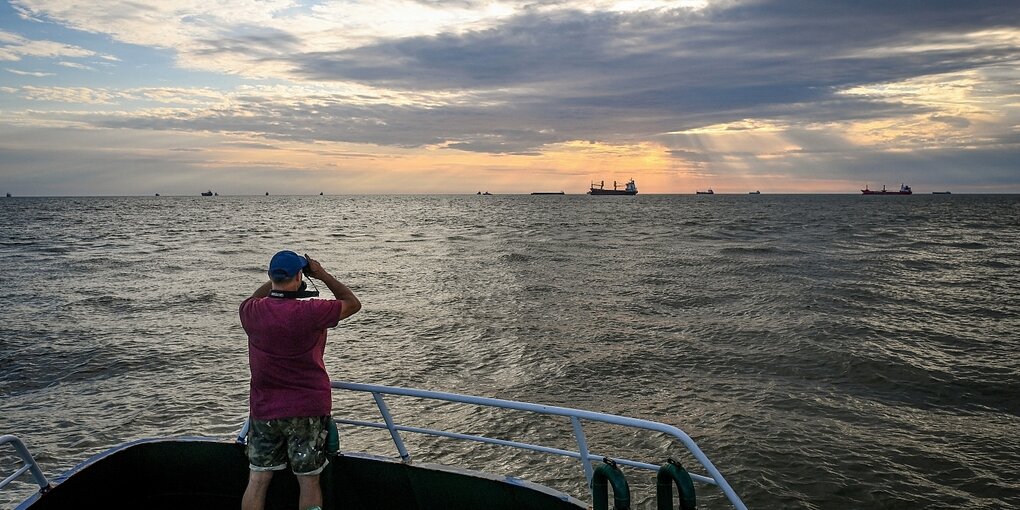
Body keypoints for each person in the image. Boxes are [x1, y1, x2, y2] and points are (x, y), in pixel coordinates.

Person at [239, 250, 361, 510]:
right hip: (306, 409)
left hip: (264, 411)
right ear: (299, 276)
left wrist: (277, 282)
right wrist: (320, 273)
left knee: (258, 479)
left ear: (271, 277)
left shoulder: (250, 311)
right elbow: (352, 302)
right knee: (308, 482)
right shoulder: (313, 311)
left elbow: (255, 297)